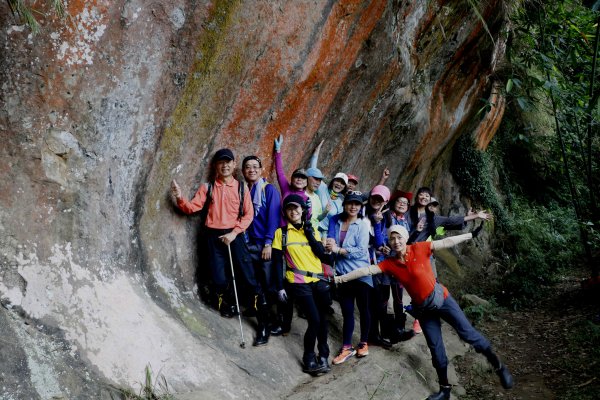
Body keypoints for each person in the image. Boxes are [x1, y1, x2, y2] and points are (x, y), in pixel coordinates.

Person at [334, 224, 514, 400]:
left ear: (405, 239)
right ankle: (445, 390)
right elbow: (367, 270)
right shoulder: (390, 264)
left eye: (399, 237)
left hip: (442, 300)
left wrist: (470, 235)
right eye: (392, 238)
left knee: (468, 334)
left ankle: (499, 367)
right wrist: (340, 278)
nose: (396, 241)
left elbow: (446, 242)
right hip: (424, 310)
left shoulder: (419, 248)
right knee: (436, 349)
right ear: (389, 241)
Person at [170, 148, 269, 346]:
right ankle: (229, 304)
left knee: (249, 278)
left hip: (235, 235)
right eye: (221, 162)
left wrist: (234, 233)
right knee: (218, 277)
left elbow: (248, 215)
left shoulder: (241, 188)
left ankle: (263, 325)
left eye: (228, 162)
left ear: (234, 165)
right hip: (213, 236)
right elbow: (192, 208)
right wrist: (180, 197)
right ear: (216, 166)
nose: (225, 165)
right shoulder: (208, 188)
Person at [272, 194, 335, 376]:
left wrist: (310, 234)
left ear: (303, 210)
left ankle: (323, 355)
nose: (293, 211)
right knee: (314, 319)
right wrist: (279, 287)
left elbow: (322, 256)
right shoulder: (281, 233)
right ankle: (308, 357)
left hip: (319, 280)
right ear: (285, 212)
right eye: (289, 209)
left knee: (322, 319)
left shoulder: (312, 229)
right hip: (297, 281)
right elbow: (277, 263)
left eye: (296, 208)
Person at [326, 191, 372, 364]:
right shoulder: (335, 220)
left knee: (364, 308)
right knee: (347, 311)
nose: (353, 207)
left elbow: (361, 250)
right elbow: (330, 240)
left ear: (361, 207)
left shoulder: (362, 224)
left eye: (357, 204)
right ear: (344, 204)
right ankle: (346, 347)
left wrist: (338, 250)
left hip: (360, 273)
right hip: (343, 275)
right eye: (350, 203)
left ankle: (364, 342)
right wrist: (330, 245)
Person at [241, 155, 282, 344]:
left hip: (263, 245)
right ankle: (262, 318)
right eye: (248, 167)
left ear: (261, 169)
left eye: (255, 167)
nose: (251, 170)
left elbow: (273, 218)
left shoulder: (268, 190)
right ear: (243, 171)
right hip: (247, 243)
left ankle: (266, 326)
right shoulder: (244, 191)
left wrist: (268, 243)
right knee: (254, 284)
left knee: (266, 286)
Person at [363, 185, 394, 349]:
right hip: (361, 263)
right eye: (375, 197)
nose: (376, 201)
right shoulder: (362, 213)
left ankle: (373, 335)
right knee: (369, 302)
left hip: (374, 264)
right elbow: (372, 241)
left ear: (386, 202)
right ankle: (368, 337)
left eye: (380, 199)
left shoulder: (383, 218)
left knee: (376, 301)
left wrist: (384, 246)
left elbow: (380, 242)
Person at [383, 190, 417, 341]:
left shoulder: (405, 220)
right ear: (393, 203)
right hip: (384, 261)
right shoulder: (386, 215)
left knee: (398, 297)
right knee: (384, 298)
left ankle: (399, 329)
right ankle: (386, 331)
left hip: (399, 262)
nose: (402, 204)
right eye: (399, 202)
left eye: (405, 203)